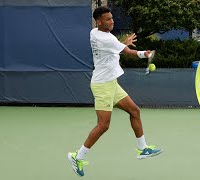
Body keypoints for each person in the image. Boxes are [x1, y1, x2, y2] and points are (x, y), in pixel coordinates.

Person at [67, 6, 163, 177]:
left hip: (111, 83)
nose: (112, 21)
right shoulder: (107, 39)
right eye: (108, 19)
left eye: (112, 18)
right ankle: (77, 156)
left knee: (134, 111)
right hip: (103, 86)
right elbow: (127, 52)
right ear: (99, 21)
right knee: (103, 125)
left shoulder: (94, 33)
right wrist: (145, 54)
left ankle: (143, 149)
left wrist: (122, 43)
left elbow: (115, 48)